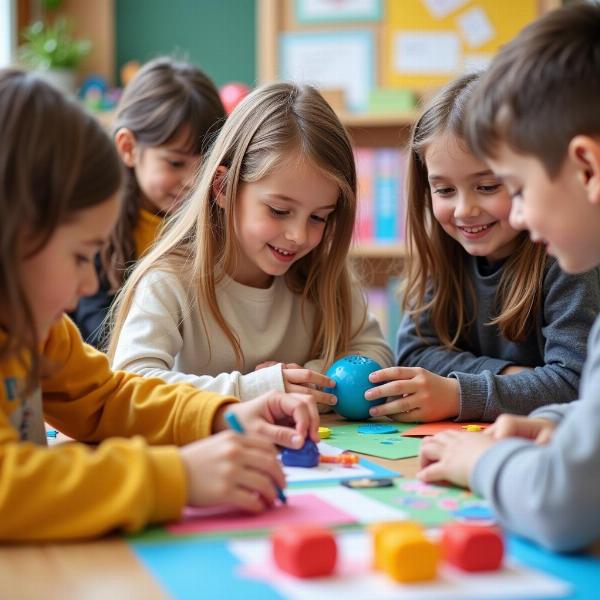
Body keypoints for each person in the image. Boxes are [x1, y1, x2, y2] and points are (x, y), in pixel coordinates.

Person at [0, 69, 318, 541]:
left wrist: (219, 412)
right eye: (80, 256)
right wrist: (178, 476)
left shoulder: (37, 328)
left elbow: (106, 399)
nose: (90, 281)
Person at [418, 3, 600, 552]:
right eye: (444, 189)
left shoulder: (569, 265)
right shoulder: (445, 258)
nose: (516, 216)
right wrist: (557, 423)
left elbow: (561, 507)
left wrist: (483, 460)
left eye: (515, 188)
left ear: (586, 168)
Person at [108, 82, 393, 405]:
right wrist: (256, 388)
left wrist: (305, 377)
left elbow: (375, 353)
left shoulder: (323, 274)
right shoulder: (170, 279)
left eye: (319, 217)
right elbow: (130, 383)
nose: (299, 235)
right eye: (279, 210)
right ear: (223, 188)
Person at [365, 72, 600, 423]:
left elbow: (576, 384)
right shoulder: (443, 252)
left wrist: (461, 393)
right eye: (444, 191)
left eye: (488, 186)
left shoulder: (567, 258)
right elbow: (413, 355)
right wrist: (513, 375)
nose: (464, 210)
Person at [71, 57, 226, 349]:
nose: (194, 181)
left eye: (205, 164)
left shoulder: (216, 219)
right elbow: (97, 330)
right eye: (175, 162)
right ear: (128, 148)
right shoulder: (97, 224)